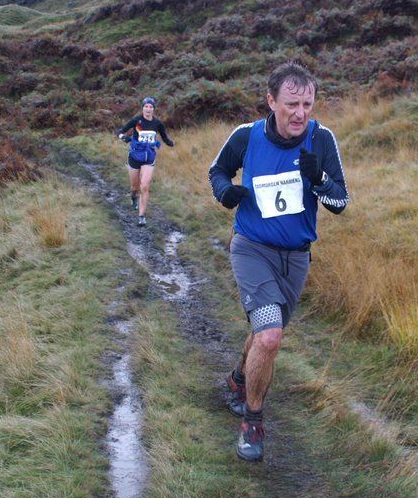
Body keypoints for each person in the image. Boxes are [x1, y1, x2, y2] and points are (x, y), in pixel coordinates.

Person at [208, 62, 349, 462]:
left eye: (307, 104)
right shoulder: (247, 135)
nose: (300, 113)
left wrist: (319, 180)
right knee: (270, 336)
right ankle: (252, 421)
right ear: (271, 101)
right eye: (291, 104)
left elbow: (340, 201)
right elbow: (218, 171)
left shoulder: (321, 139)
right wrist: (225, 192)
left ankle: (238, 379)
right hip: (252, 248)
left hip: (296, 259)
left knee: (263, 332)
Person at [116, 97, 175, 226]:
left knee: (144, 186)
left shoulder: (157, 123)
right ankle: (133, 196)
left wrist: (170, 143)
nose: (148, 109)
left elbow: (164, 137)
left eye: (150, 107)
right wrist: (123, 137)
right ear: (143, 108)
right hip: (135, 156)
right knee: (135, 187)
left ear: (153, 109)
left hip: (149, 157)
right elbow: (120, 132)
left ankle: (141, 216)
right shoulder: (136, 121)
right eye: (146, 106)